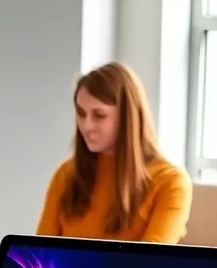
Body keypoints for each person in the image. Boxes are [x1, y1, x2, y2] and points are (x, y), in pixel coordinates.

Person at [36, 62, 192, 242]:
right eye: (81, 113)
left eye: (99, 115)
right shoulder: (66, 174)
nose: (86, 126)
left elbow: (149, 264)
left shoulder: (170, 181)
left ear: (127, 117)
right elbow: (38, 254)